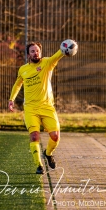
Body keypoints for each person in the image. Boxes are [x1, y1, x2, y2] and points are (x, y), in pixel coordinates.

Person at [8, 42, 66, 174]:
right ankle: (39, 165)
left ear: (41, 52)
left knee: (55, 136)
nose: (36, 53)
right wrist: (11, 99)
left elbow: (56, 57)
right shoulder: (23, 69)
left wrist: (64, 49)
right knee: (34, 136)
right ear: (28, 54)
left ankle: (48, 153)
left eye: (37, 51)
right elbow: (17, 84)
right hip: (30, 108)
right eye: (33, 51)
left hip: (47, 107)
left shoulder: (46, 63)